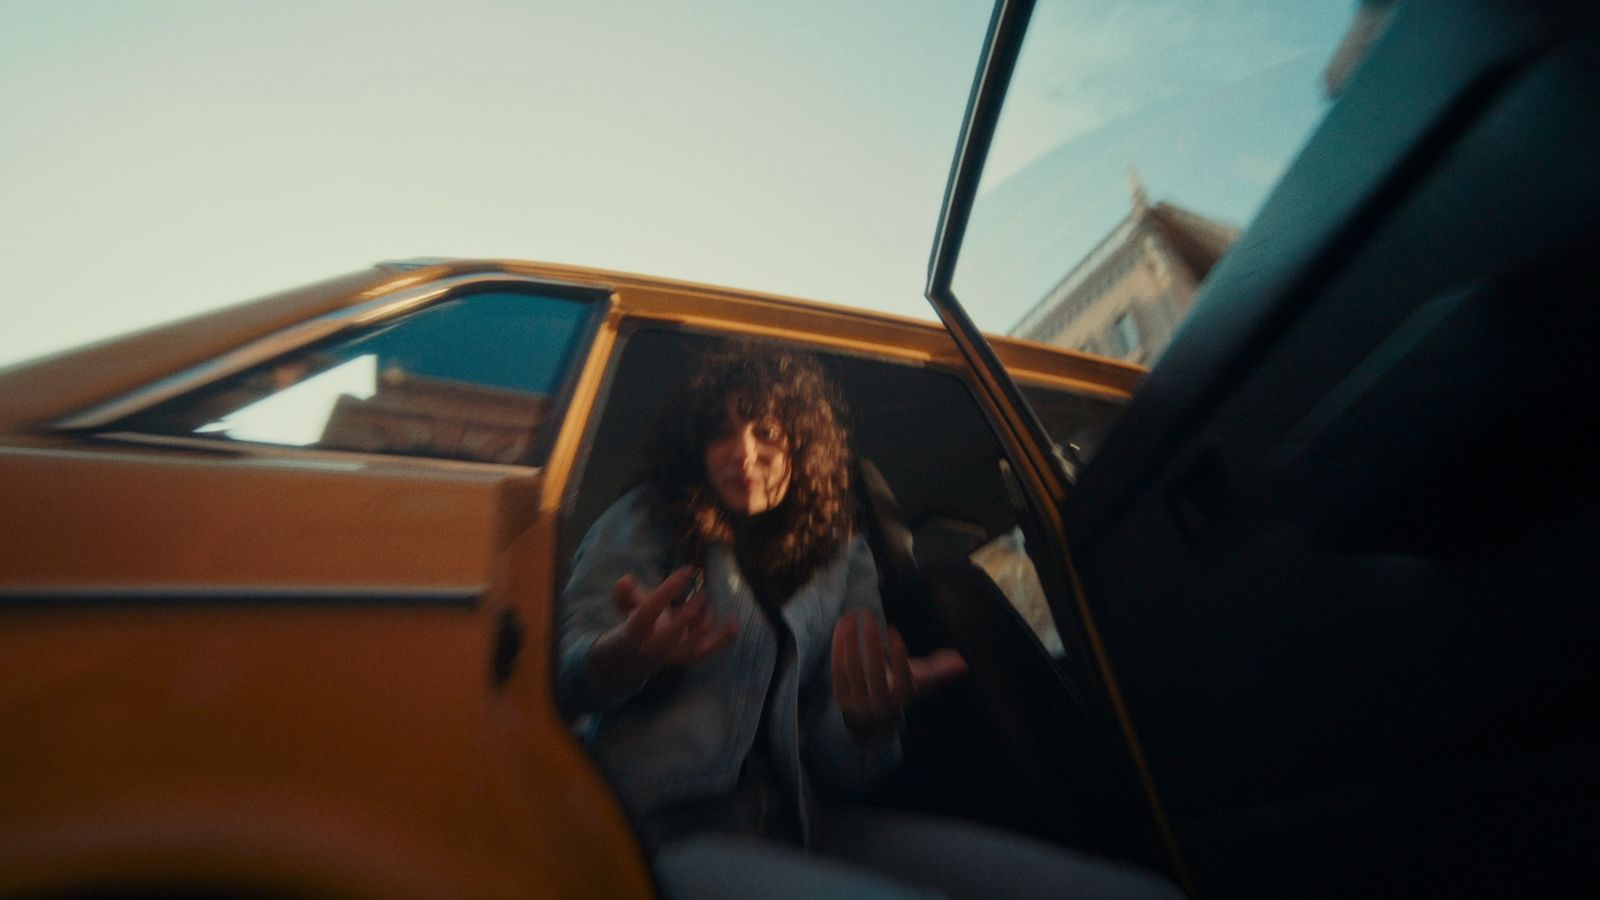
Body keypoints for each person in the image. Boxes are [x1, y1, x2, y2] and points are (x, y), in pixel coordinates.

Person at [557, 343, 1184, 899]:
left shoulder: (840, 556)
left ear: (803, 443)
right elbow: (568, 674)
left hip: (811, 823)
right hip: (668, 831)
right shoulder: (646, 521)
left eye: (768, 431)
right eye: (721, 433)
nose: (744, 451)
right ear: (696, 448)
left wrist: (868, 726)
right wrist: (625, 657)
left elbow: (842, 758)